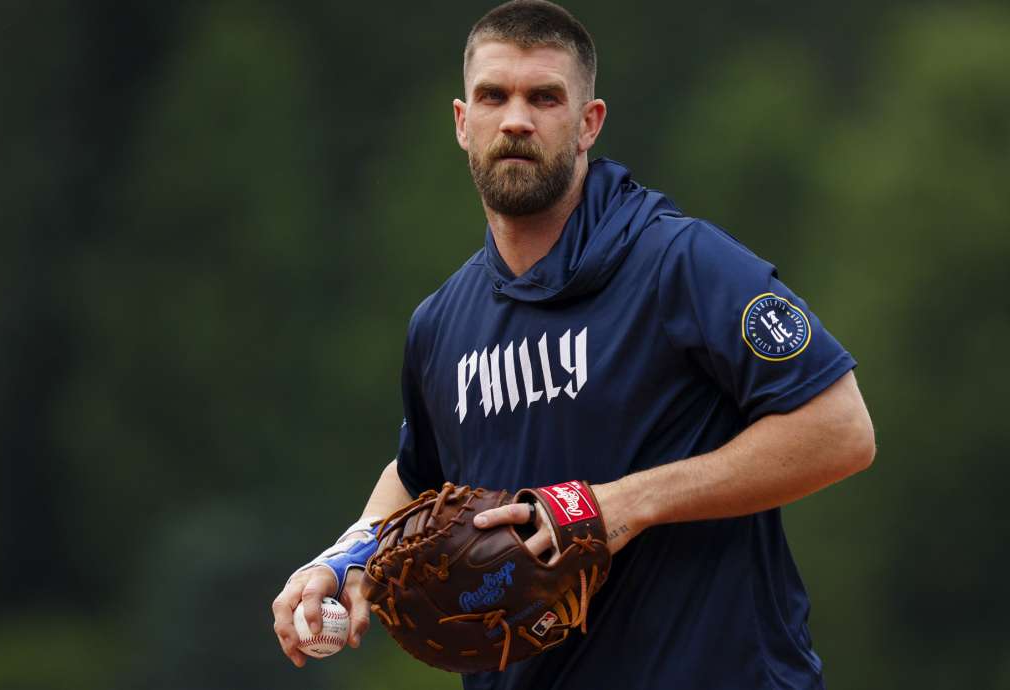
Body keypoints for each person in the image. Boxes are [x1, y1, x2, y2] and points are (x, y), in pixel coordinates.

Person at [271, 1, 876, 687]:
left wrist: (625, 504)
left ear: (588, 124)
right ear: (462, 124)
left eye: (545, 97)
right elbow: (418, 473)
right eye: (493, 96)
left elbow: (841, 430)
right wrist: (346, 557)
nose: (517, 119)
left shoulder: (679, 264)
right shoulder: (442, 324)